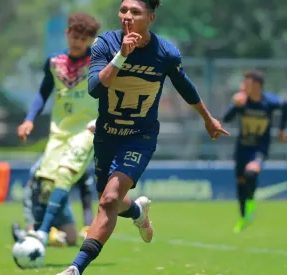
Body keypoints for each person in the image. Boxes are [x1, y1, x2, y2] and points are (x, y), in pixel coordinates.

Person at [57, 0, 229, 274]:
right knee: (109, 198)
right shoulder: (105, 44)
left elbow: (184, 86)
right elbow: (94, 89)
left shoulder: (166, 53)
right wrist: (121, 56)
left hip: (139, 137)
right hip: (106, 135)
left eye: (135, 12)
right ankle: (138, 212)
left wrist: (208, 118)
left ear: (150, 18)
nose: (126, 16)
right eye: (123, 10)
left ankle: (76, 268)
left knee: (109, 200)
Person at [17, 12, 101, 246]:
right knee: (46, 182)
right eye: (74, 36)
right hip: (60, 133)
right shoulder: (54, 63)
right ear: (67, 34)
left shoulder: (98, 62)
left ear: (90, 41)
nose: (77, 42)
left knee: (66, 174)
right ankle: (44, 230)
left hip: (87, 131)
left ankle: (41, 233)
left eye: (83, 39)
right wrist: (29, 119)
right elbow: (43, 93)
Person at [222, 70, 287, 233]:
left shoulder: (269, 102)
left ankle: (251, 204)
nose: (244, 86)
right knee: (240, 183)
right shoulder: (242, 102)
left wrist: (281, 129)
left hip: (259, 148)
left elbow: (286, 105)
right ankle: (244, 217)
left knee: (251, 173)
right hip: (242, 148)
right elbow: (226, 119)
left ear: (258, 85)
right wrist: (235, 106)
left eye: (248, 83)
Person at [11, 148, 96, 247]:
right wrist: (34, 223)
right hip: (38, 195)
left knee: (71, 239)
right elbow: (32, 189)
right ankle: (24, 234)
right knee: (36, 235)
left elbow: (86, 200)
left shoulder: (82, 170)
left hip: (61, 201)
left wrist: (87, 227)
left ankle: (52, 233)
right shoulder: (51, 160)